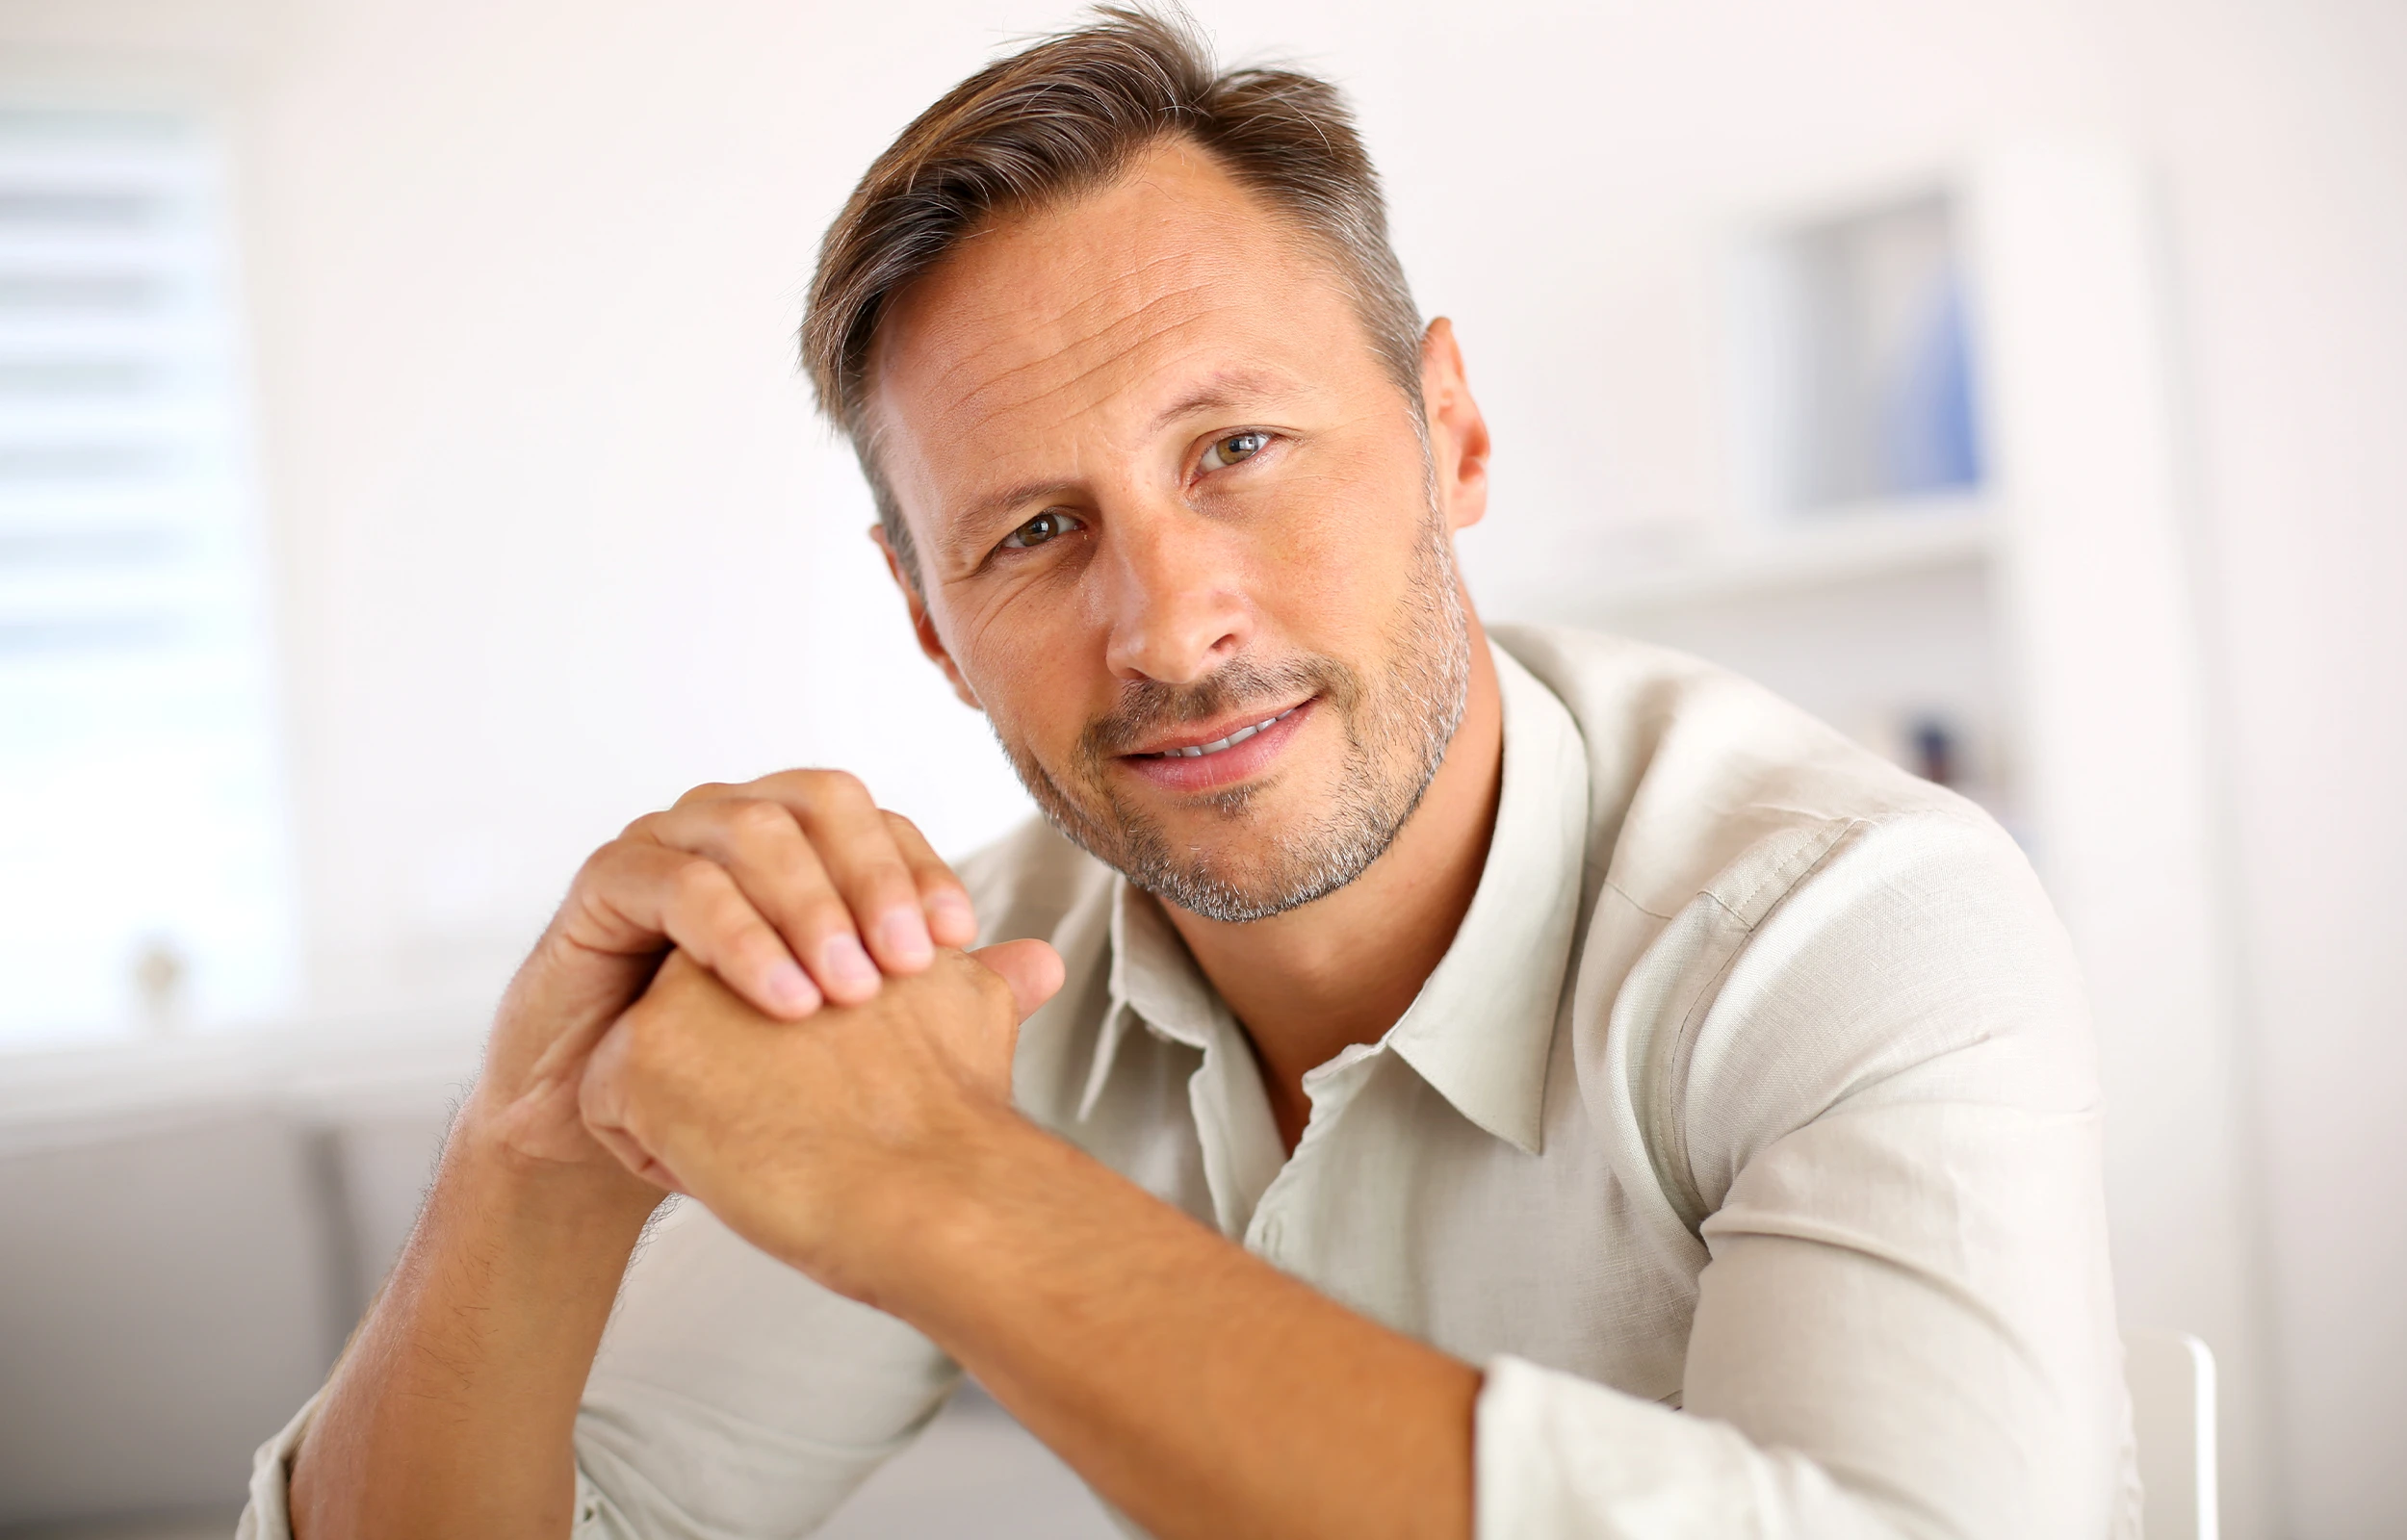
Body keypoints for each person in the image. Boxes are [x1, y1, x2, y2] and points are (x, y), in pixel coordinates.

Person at [249, 9, 2135, 1537]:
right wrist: (529, 1148)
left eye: (1233, 446)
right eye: (1034, 529)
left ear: (1449, 434)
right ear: (928, 625)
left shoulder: (1846, 916)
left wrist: (943, 1192)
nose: (1164, 624)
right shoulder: (952, 980)